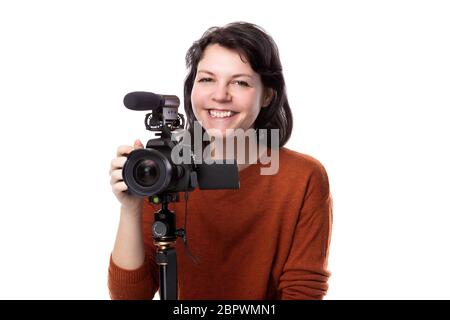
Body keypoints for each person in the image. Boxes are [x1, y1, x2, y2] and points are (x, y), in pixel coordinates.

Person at [108, 22, 333, 300]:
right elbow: (131, 296)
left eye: (240, 82)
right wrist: (130, 208)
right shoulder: (167, 168)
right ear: (192, 90)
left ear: (267, 95)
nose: (220, 95)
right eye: (207, 79)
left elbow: (303, 291)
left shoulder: (303, 177)